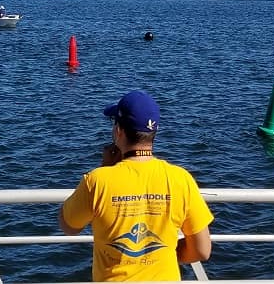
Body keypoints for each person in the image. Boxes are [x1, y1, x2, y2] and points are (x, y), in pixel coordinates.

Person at [59, 90, 213, 281]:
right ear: (153, 132)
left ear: (119, 131)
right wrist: (165, 255)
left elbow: (69, 226)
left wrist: (106, 169)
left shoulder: (97, 181)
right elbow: (202, 250)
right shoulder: (181, 179)